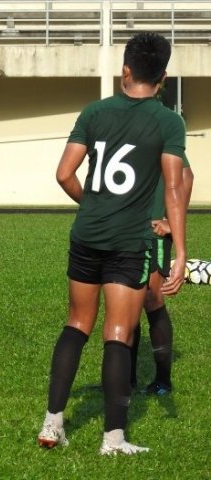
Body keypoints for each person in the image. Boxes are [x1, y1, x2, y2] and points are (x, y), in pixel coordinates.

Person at [37, 33, 187, 455]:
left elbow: (64, 173)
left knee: (75, 324)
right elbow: (174, 188)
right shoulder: (168, 121)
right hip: (128, 242)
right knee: (117, 333)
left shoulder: (94, 111)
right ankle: (113, 439)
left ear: (125, 71)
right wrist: (178, 254)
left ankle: (52, 424)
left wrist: (94, 205)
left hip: (86, 234)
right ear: (163, 77)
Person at [130, 156, 193, 395]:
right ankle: (125, 379)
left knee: (152, 299)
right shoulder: (125, 129)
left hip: (152, 234)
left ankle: (163, 381)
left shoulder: (158, 126)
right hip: (125, 232)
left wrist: (172, 222)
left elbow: (186, 175)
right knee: (126, 302)